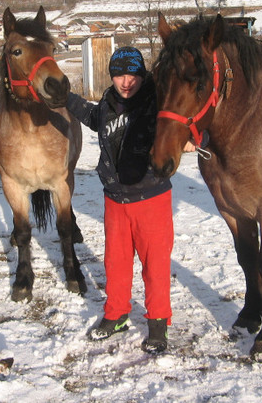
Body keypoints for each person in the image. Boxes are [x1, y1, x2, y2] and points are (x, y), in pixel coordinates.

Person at [66, 46, 184, 354]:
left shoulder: (157, 103)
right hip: (115, 199)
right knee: (115, 262)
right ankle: (116, 314)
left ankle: (158, 323)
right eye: (119, 75)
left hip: (151, 197)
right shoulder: (106, 104)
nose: (126, 82)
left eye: (132, 74)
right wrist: (64, 97)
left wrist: (197, 138)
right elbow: (89, 115)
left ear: (143, 76)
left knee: (154, 264)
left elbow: (183, 119)